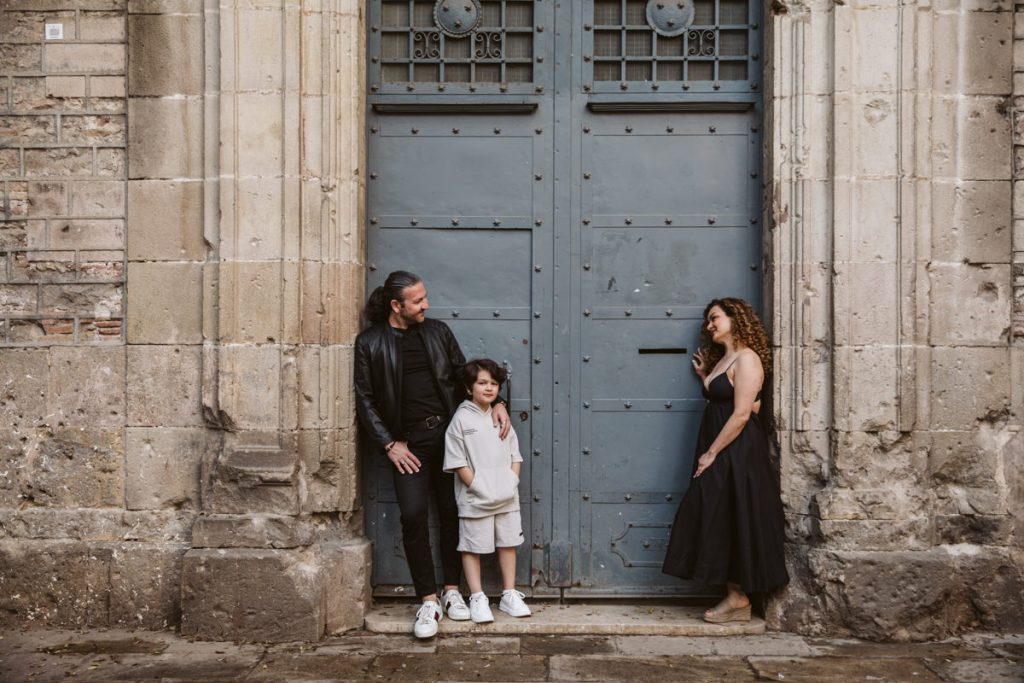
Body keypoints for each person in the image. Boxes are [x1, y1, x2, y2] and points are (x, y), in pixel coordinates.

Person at [354, 271, 511, 638]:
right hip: (408, 445)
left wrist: (498, 400)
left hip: (450, 440)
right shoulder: (371, 343)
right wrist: (389, 443)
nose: (426, 305)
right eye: (418, 301)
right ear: (397, 306)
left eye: (425, 298)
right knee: (412, 516)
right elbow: (365, 398)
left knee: (453, 512)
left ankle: (453, 591)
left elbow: (463, 376)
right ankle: (428, 600)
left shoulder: (437, 332)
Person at [662, 297, 789, 623]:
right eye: (707, 321)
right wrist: (707, 376)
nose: (709, 325)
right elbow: (731, 398)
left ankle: (739, 597)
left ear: (736, 318)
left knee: (730, 512)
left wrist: (711, 453)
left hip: (736, 450)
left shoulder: (747, 359)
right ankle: (735, 596)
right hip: (722, 445)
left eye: (715, 318)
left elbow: (743, 413)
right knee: (720, 513)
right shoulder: (727, 359)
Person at [443, 359, 531, 623]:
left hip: (505, 496)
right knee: (472, 545)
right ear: (469, 388)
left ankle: (508, 594)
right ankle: (478, 597)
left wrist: (511, 482)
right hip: (476, 498)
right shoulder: (461, 419)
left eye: (494, 384)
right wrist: (478, 486)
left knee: (508, 543)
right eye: (482, 383)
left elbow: (515, 454)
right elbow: (457, 461)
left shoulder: (500, 416)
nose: (489, 388)